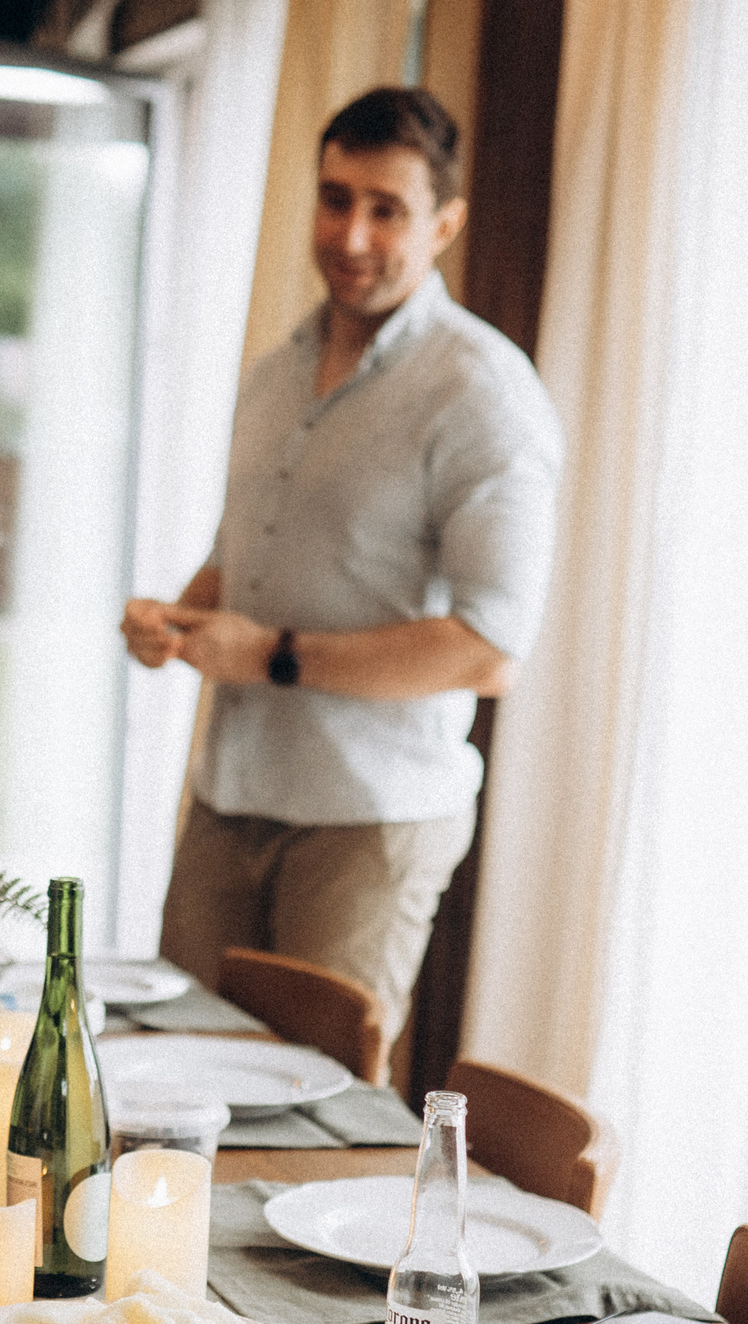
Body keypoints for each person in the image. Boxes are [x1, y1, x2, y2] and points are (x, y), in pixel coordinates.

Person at [123, 87, 561, 1055]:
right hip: (227, 799)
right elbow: (251, 554)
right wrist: (179, 617)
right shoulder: (275, 370)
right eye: (334, 198)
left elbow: (490, 651)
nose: (350, 233)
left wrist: (271, 656)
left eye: (386, 208)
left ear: (443, 223)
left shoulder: (483, 394)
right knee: (169, 1085)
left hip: (367, 824)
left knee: (316, 1120)